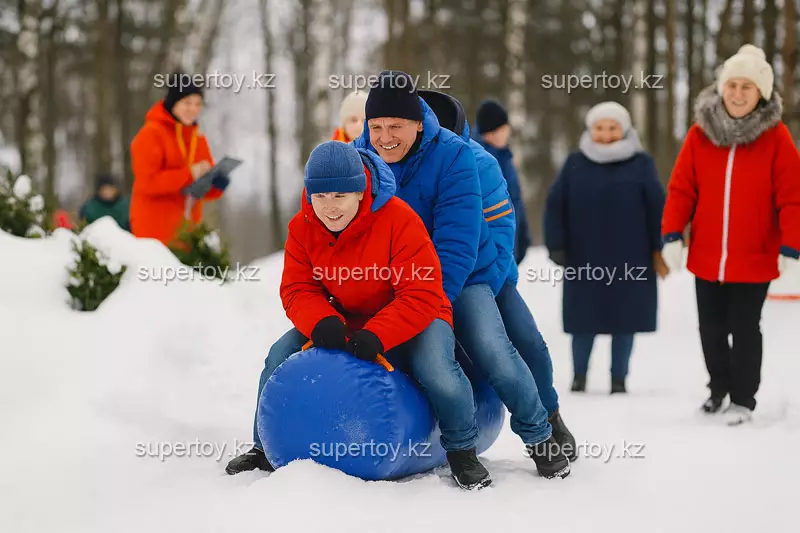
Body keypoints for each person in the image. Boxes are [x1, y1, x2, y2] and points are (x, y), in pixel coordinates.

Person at [225, 141, 488, 489]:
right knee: (278, 355)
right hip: (346, 316)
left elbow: (421, 291)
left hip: (417, 313)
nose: (329, 206)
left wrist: (380, 333)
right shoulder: (302, 227)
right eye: (320, 196)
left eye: (340, 195)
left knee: (436, 369)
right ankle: (263, 447)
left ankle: (462, 450)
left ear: (361, 191)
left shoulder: (398, 220)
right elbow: (297, 288)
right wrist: (322, 322)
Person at [353, 70, 570, 481]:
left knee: (494, 349)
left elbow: (457, 244)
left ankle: (541, 434)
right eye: (376, 127)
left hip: (463, 275)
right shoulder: (357, 157)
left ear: (418, 123)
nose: (384, 138)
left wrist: (426, 307)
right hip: (395, 283)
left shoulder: (456, 156)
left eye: (395, 127)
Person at [418, 89, 576, 459]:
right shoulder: (401, 164)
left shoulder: (479, 163)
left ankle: (550, 415)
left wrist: (486, 291)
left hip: (486, 275)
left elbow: (503, 234)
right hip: (426, 282)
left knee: (527, 342)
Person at [661, 44, 800, 424]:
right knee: (711, 329)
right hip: (707, 255)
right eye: (732, 85)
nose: (738, 93)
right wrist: (672, 234)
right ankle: (718, 388)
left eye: (747, 87)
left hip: (755, 257)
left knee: (745, 328)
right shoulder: (699, 135)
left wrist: (792, 246)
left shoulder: (776, 138)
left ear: (761, 93)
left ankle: (742, 399)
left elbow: (792, 198)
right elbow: (681, 189)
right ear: (722, 87)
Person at [544, 101, 667, 394]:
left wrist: (660, 248)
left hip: (631, 256)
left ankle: (619, 378)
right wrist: (557, 244)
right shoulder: (575, 163)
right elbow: (555, 205)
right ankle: (579, 376)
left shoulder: (641, 163)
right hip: (583, 256)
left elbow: (657, 208)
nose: (606, 134)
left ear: (625, 130)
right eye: (600, 128)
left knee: (625, 320)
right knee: (582, 321)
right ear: (590, 130)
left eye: (613, 128)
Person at [130, 72, 230, 246]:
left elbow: (198, 190)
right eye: (187, 103)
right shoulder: (150, 134)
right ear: (173, 103)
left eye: (198, 104)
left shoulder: (198, 139)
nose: (193, 109)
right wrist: (189, 174)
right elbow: (148, 182)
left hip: (189, 234)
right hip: (154, 233)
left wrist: (216, 184)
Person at [474, 98, 531, 264]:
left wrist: (523, 237)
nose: (508, 132)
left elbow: (516, 200)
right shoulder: (479, 161)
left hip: (510, 247)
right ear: (491, 132)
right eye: (504, 129)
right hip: (491, 253)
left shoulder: (505, 157)